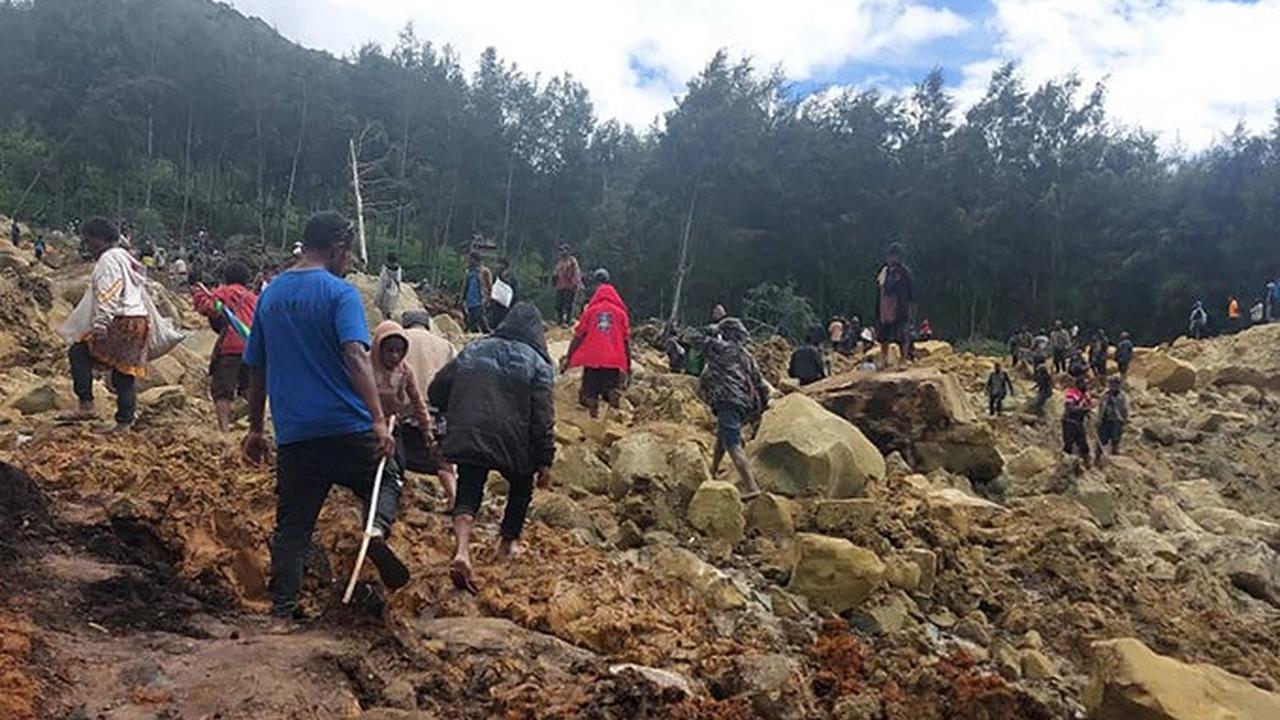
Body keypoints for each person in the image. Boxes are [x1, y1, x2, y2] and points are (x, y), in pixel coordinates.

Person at [241, 211, 407, 622]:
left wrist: (256, 429)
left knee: (293, 528)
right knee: (388, 474)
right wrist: (376, 419)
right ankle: (375, 529)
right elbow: (355, 354)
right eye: (347, 254)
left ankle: (283, 612)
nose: (348, 262)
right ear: (337, 248)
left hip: (297, 435)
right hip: (348, 427)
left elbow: (257, 369)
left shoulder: (271, 296)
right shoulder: (340, 293)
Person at [429, 303, 555, 594]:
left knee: (470, 484)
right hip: (514, 441)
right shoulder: (538, 363)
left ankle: (462, 550)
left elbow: (437, 388)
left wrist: (451, 413)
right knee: (521, 487)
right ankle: (507, 544)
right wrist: (545, 459)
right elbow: (543, 416)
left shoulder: (475, 348)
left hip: (471, 430)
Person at [58, 218, 150, 431]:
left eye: (89, 241)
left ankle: (86, 405)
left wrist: (101, 322)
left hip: (120, 320)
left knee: (79, 352)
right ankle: (124, 423)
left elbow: (111, 289)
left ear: (100, 239)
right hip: (138, 320)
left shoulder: (108, 260)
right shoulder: (126, 258)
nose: (87, 246)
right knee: (124, 373)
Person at [371, 321, 456, 510]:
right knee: (442, 463)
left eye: (398, 352)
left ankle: (388, 501)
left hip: (402, 417)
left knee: (395, 461)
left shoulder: (395, 357)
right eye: (391, 351)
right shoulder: (445, 345)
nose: (395, 356)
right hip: (430, 412)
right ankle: (453, 498)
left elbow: (415, 400)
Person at [699, 318, 768, 500]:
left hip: (727, 400)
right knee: (722, 437)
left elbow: (694, 338)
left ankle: (752, 486)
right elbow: (761, 384)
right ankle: (712, 471)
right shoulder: (746, 355)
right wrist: (762, 408)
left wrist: (712, 330)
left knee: (733, 445)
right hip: (742, 403)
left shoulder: (720, 349)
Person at [192, 260, 259, 433]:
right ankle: (251, 427)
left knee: (223, 391)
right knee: (249, 389)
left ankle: (224, 430)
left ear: (226, 278)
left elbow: (207, 307)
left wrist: (198, 293)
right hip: (252, 347)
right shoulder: (253, 298)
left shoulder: (224, 292)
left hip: (230, 347)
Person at [563, 269, 631, 419]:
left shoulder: (590, 311)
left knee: (588, 393)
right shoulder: (621, 313)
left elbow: (578, 336)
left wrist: (569, 356)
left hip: (592, 358)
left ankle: (593, 415)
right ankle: (612, 420)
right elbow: (626, 341)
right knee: (610, 389)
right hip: (613, 360)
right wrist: (628, 364)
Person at [875, 244, 914, 369]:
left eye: (895, 256)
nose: (892, 259)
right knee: (883, 336)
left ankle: (903, 360)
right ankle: (884, 359)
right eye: (891, 256)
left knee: (902, 335)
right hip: (885, 308)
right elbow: (880, 290)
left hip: (900, 307)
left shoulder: (904, 272)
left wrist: (909, 305)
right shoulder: (884, 272)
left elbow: (911, 290)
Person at [1095, 376, 1130, 464]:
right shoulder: (1105, 394)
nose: (1113, 387)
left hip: (1116, 420)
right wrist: (1099, 419)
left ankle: (1115, 456)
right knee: (1101, 440)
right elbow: (1100, 406)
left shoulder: (1122, 396)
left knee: (1115, 439)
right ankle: (1097, 459)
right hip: (1105, 420)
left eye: (1115, 384)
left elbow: (1125, 409)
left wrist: (1124, 420)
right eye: (1111, 384)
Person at [1062, 376, 1093, 466]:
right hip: (1069, 421)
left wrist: (1087, 410)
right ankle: (1065, 464)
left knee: (1083, 444)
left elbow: (1088, 406)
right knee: (1069, 444)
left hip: (1079, 422)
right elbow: (1069, 408)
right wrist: (1083, 409)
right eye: (1084, 383)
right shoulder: (1072, 393)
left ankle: (1086, 464)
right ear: (1078, 384)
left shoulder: (1087, 395)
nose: (1086, 385)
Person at [460, 251, 492, 333]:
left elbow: (488, 286)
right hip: (470, 300)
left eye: (471, 259)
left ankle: (487, 333)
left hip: (479, 300)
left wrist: (488, 299)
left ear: (475, 260)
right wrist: (462, 298)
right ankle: (475, 334)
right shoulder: (469, 272)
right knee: (471, 321)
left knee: (480, 319)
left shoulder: (484, 271)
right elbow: (465, 286)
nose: (469, 261)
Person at [553, 244, 583, 326]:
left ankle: (567, 321)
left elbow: (577, 273)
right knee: (558, 304)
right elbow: (556, 273)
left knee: (568, 304)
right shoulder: (560, 262)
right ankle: (559, 321)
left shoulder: (572, 261)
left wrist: (577, 284)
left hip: (569, 286)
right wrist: (554, 280)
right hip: (560, 286)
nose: (562, 252)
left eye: (564, 250)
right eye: (561, 250)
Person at [489, 256, 519, 329]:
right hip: (496, 305)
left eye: (500, 264)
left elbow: (515, 291)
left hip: (507, 306)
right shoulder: (496, 276)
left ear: (504, 265)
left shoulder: (511, 277)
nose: (498, 266)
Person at [374, 252, 402, 321]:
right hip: (393, 289)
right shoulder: (398, 269)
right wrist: (399, 288)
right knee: (389, 307)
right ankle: (388, 318)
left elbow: (382, 281)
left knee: (383, 307)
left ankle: (384, 320)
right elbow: (398, 280)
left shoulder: (385, 268)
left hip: (385, 288)